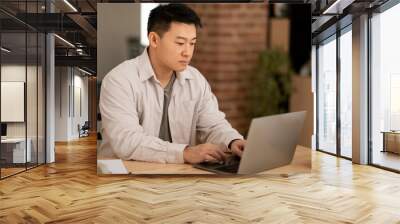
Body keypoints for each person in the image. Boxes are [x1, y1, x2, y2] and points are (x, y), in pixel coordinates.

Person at [99, 3, 246, 164]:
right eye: (180, 43)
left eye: (192, 43)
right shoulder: (119, 80)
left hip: (177, 176)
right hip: (124, 178)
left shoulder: (195, 80)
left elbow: (213, 125)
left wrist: (233, 141)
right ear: (154, 39)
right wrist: (185, 153)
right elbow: (127, 142)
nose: (187, 52)